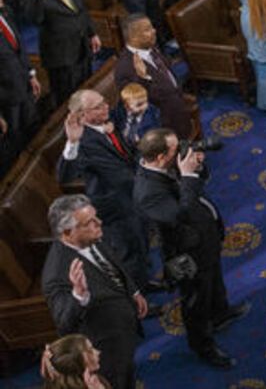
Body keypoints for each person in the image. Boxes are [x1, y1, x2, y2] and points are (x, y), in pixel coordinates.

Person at [134, 127, 250, 369]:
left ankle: (220, 313)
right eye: (177, 148)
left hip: (205, 238)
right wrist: (187, 176)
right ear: (160, 157)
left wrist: (196, 168)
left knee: (215, 280)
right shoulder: (146, 191)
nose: (185, 149)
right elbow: (179, 215)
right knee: (195, 300)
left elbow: (199, 183)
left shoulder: (167, 164)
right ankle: (203, 346)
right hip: (187, 254)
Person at [41, 195, 145, 389]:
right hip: (106, 349)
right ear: (67, 232)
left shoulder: (90, 237)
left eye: (96, 217)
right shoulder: (56, 274)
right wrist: (78, 295)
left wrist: (134, 292)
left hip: (124, 329)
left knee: (129, 371)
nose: (99, 223)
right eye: (90, 222)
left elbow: (114, 265)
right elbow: (64, 324)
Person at [55, 90, 152, 292]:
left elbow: (126, 154)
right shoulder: (82, 141)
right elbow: (64, 176)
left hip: (133, 197)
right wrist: (72, 142)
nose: (106, 107)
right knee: (128, 254)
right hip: (115, 207)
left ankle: (145, 283)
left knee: (141, 243)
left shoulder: (106, 124)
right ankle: (135, 298)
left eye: (104, 102)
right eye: (98, 107)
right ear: (82, 115)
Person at [16, 0, 100, 106]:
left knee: (88, 89)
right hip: (62, 58)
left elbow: (79, 7)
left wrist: (92, 33)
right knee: (70, 101)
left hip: (82, 46)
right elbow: (35, 19)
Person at [112, 15, 192, 137]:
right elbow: (137, 104)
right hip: (163, 126)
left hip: (177, 107)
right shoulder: (125, 68)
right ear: (133, 37)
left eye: (152, 27)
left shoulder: (150, 47)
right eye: (147, 30)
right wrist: (143, 78)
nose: (154, 31)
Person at [0, 0, 39, 172]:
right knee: (13, 145)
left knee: (32, 131)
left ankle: (36, 171)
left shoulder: (5, 13)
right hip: (6, 100)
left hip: (24, 85)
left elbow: (20, 48)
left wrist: (31, 75)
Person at [39, 332, 112, 389]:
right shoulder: (96, 384)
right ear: (76, 364)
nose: (98, 352)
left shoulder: (97, 381)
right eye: (90, 351)